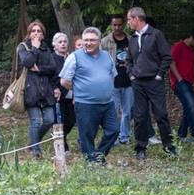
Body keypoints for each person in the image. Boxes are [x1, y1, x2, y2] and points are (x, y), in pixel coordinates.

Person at [60, 26, 120, 163]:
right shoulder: (74, 57)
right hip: (86, 103)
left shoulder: (107, 56)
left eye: (92, 40)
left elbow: (112, 75)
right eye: (85, 40)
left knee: (114, 130)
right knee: (87, 135)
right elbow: (64, 81)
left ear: (99, 41)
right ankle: (92, 160)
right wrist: (79, 90)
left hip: (107, 103)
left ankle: (98, 155)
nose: (88, 43)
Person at [125, 6, 176, 159]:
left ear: (136, 19)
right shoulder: (133, 38)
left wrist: (159, 75)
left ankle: (168, 146)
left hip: (154, 81)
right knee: (140, 116)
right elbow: (128, 60)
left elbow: (167, 57)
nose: (128, 23)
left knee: (161, 114)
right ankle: (140, 147)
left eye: (129, 19)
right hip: (138, 82)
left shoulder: (156, 34)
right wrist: (131, 74)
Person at [16, 20, 62, 157]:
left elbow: (53, 68)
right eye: (33, 31)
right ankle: (36, 150)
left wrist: (39, 69)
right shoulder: (23, 47)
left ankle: (32, 142)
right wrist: (35, 48)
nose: (36, 33)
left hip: (46, 90)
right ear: (29, 34)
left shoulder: (46, 49)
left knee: (49, 119)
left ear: (43, 34)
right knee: (35, 121)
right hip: (31, 90)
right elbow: (27, 62)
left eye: (39, 31)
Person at [100, 14, 134, 145]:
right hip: (112, 81)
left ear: (124, 24)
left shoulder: (131, 40)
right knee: (113, 110)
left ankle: (124, 136)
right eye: (114, 25)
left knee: (127, 111)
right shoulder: (105, 41)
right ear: (111, 25)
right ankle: (113, 136)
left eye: (120, 25)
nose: (117, 27)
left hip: (128, 80)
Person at [170, 27, 194, 143]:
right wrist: (179, 79)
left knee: (188, 107)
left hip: (190, 82)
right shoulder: (178, 46)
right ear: (191, 37)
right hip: (180, 82)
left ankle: (181, 134)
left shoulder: (192, 50)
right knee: (191, 105)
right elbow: (171, 63)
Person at [52, 32, 77, 151]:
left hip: (71, 94)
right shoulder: (51, 58)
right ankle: (61, 146)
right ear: (55, 45)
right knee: (58, 121)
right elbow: (50, 77)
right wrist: (54, 89)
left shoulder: (72, 57)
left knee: (71, 120)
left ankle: (62, 137)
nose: (62, 44)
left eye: (65, 42)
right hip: (57, 95)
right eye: (60, 42)